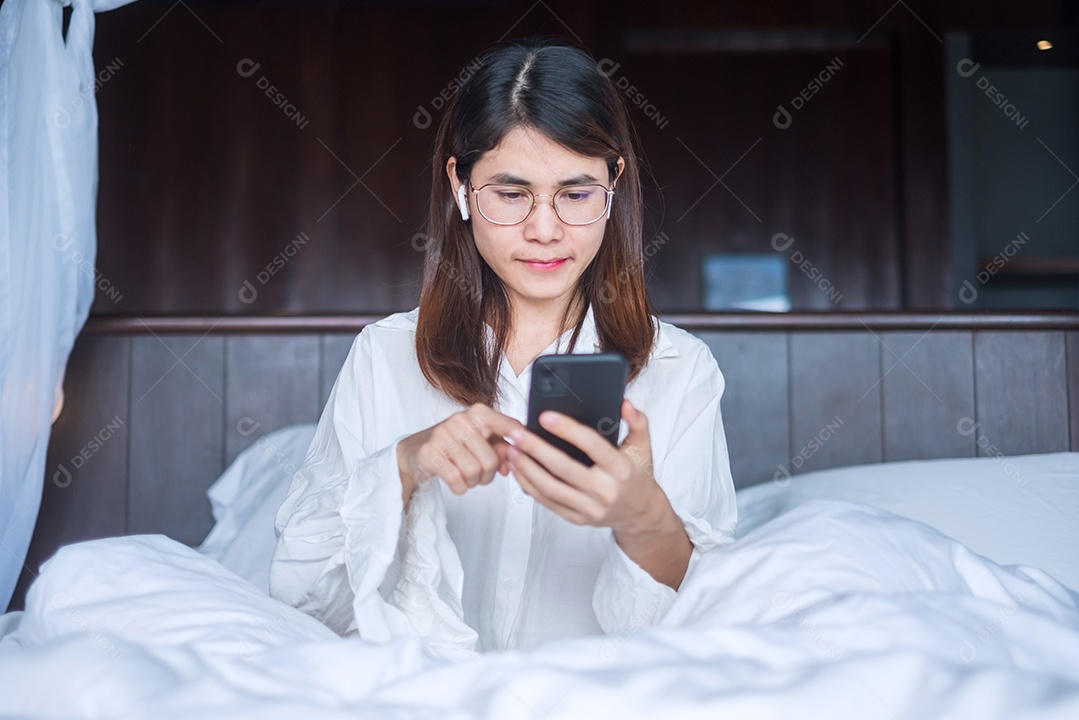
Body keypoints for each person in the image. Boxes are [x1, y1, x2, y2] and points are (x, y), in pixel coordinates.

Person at [269, 36, 737, 660]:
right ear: (460, 187)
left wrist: (643, 517)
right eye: (511, 195)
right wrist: (404, 467)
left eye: (575, 194)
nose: (545, 229)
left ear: (614, 186)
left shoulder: (681, 372)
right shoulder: (385, 357)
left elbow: (712, 632)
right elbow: (303, 600)